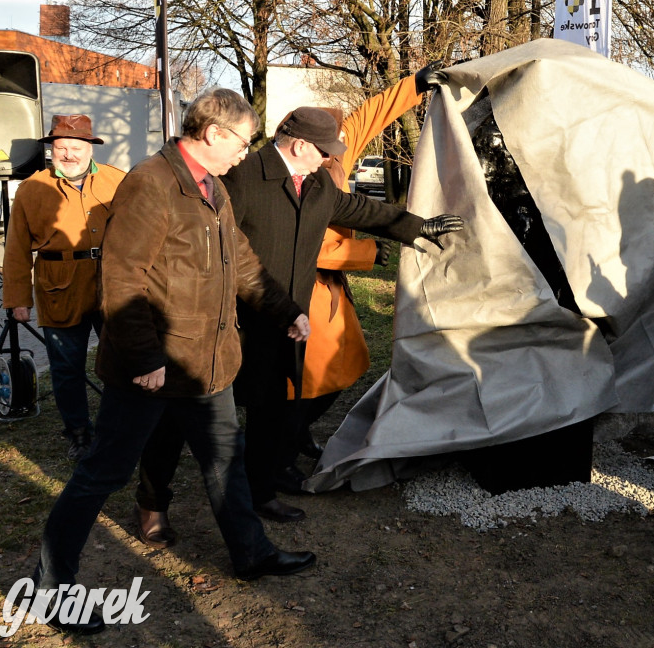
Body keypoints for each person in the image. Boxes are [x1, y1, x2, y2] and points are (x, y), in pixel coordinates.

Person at [30, 88, 317, 635]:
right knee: (101, 474)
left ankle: (251, 553)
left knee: (225, 462)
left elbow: (244, 263)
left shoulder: (215, 189)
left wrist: (286, 311)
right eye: (242, 140)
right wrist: (143, 356)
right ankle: (50, 588)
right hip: (153, 368)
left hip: (206, 363)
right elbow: (121, 277)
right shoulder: (151, 183)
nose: (244, 152)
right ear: (212, 133)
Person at [133, 105, 463, 530]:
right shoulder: (242, 176)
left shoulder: (318, 182)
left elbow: (359, 208)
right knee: (178, 416)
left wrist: (418, 226)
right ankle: (153, 502)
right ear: (301, 144)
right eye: (325, 150)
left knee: (270, 412)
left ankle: (260, 493)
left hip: (285, 321)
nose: (330, 159)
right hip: (225, 322)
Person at [292, 62, 447, 463]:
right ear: (304, 144)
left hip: (331, 289)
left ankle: (295, 433)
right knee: (310, 377)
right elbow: (299, 245)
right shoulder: (293, 176)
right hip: (303, 289)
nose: (339, 146)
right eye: (330, 143)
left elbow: (371, 114)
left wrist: (415, 84)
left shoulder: (337, 154)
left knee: (346, 364)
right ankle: (281, 447)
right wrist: (365, 254)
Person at [2, 115, 124, 459]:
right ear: (51, 150)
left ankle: (117, 428)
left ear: (90, 149)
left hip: (112, 285)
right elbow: (15, 249)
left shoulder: (118, 181)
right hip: (59, 289)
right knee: (67, 369)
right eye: (61, 148)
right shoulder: (33, 188)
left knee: (121, 362)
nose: (68, 154)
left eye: (75, 147)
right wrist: (17, 299)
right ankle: (78, 432)